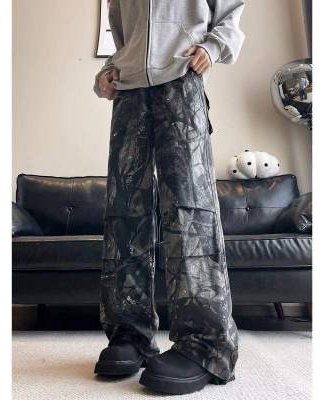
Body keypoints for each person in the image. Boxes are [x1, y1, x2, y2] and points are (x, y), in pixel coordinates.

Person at [93, 0, 245, 395]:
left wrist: (212, 47)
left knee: (190, 210)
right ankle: (130, 334)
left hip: (181, 81)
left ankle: (205, 345)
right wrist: (109, 71)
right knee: (125, 211)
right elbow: (126, 36)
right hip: (129, 94)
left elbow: (231, 10)